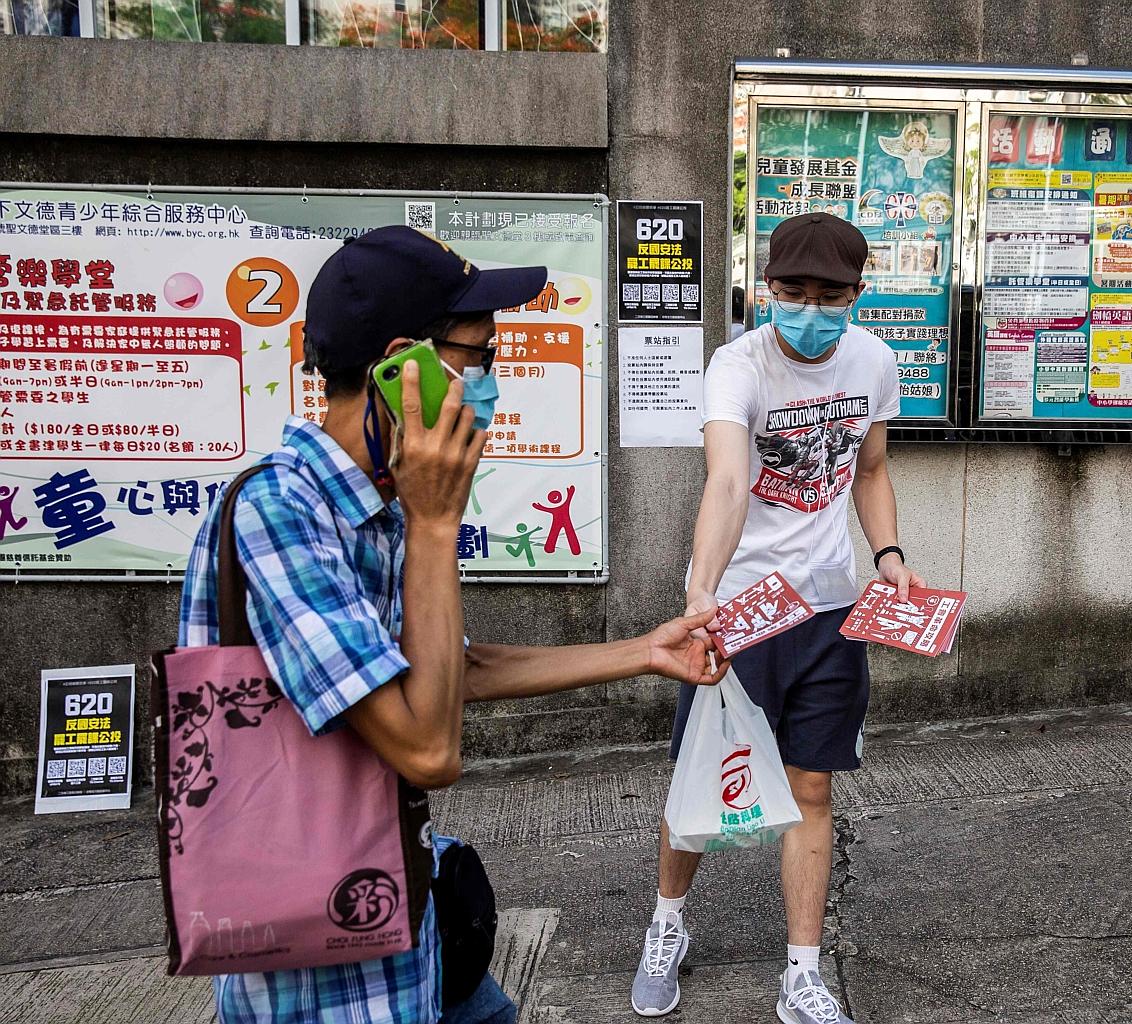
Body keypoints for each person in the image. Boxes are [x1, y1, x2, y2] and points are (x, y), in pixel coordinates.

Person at [179, 226, 725, 1024]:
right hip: (328, 967)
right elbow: (426, 747)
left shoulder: (380, 501)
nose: (490, 384)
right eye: (479, 358)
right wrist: (437, 526)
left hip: (411, 916)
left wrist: (646, 653)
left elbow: (446, 672)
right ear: (407, 367)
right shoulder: (282, 512)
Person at [631, 213, 925, 1024]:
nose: (808, 308)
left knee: (812, 787)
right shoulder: (738, 366)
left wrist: (889, 556)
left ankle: (801, 973)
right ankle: (666, 925)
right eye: (791, 292)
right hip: (741, 608)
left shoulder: (874, 360)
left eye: (829, 295)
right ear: (768, 289)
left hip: (830, 607)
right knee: (700, 780)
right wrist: (704, 592)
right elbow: (725, 482)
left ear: (857, 296)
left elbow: (870, 469)